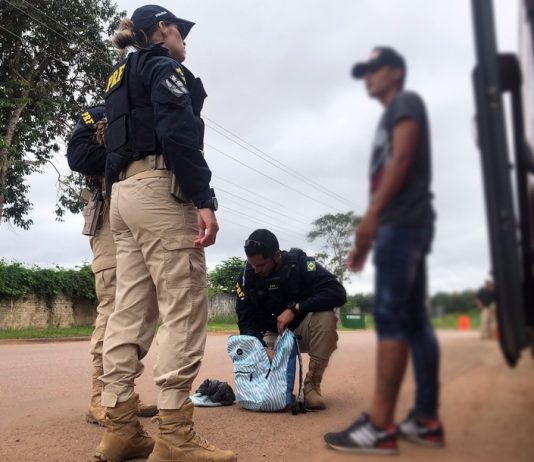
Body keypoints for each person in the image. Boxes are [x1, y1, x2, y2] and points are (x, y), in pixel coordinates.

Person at [94, 5, 235, 462]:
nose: (184, 39)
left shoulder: (117, 78)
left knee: (128, 311)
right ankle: (174, 435)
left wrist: (117, 194)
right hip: (158, 192)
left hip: (122, 195)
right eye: (180, 30)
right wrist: (203, 198)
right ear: (161, 29)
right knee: (183, 306)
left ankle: (120, 429)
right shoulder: (162, 67)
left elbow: (110, 146)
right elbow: (178, 134)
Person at [324, 47, 444, 454]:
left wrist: (372, 219)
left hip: (402, 223)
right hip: (405, 223)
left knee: (392, 318)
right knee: (414, 321)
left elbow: (403, 157)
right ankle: (426, 419)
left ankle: (379, 426)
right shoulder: (390, 113)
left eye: (374, 70)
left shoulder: (405, 103)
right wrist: (368, 236)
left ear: (395, 72)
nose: (368, 78)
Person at [66, 105, 157, 426]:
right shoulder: (100, 112)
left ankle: (122, 393)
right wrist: (129, 157)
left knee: (142, 307)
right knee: (114, 304)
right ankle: (100, 398)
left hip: (146, 212)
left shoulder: (149, 108)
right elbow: (78, 156)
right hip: (108, 215)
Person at [235, 229, 346, 411]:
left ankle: (312, 386)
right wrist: (260, 348)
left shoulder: (302, 264)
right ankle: (278, 391)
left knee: (327, 316)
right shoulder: (247, 277)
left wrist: (296, 308)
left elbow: (337, 293)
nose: (256, 270)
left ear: (276, 255)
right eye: (252, 264)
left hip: (304, 331)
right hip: (274, 336)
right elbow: (245, 319)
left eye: (261, 265)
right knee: (271, 394)